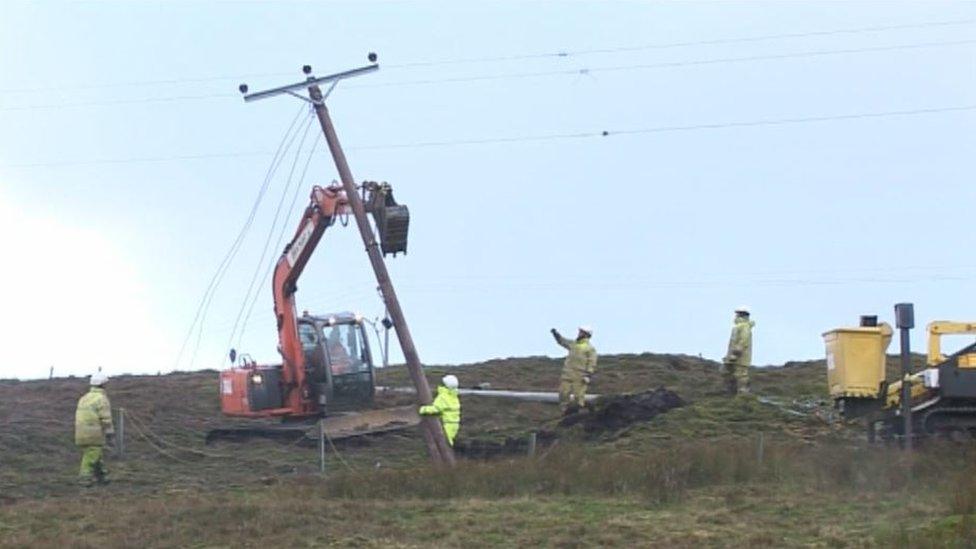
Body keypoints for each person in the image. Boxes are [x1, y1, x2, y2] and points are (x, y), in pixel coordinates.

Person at [74, 372, 115, 487]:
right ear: (103, 384)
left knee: (95, 454)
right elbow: (106, 418)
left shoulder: (84, 398)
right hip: (94, 433)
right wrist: (110, 433)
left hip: (80, 432)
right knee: (91, 456)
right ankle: (84, 479)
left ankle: (102, 477)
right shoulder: (101, 399)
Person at [551, 326, 598, 414]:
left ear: (586, 335)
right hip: (567, 374)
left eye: (581, 332)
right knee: (563, 394)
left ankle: (580, 413)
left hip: (580, 376)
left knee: (578, 396)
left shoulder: (590, 349)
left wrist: (588, 375)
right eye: (580, 332)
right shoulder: (573, 344)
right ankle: (565, 413)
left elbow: (592, 362)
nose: (579, 333)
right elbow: (562, 341)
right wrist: (556, 335)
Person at [419, 374, 461, 446]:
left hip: (446, 424)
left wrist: (423, 409)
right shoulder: (454, 396)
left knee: (444, 444)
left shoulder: (443, 396)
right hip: (454, 424)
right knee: (448, 442)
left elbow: (436, 409)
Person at [723, 307, 756, 395]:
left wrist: (735, 354)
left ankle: (743, 394)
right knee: (733, 375)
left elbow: (743, 341)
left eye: (738, 314)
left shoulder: (744, 326)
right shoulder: (740, 326)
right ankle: (734, 394)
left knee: (741, 375)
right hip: (735, 357)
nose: (736, 316)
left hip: (741, 358)